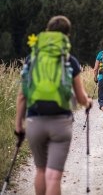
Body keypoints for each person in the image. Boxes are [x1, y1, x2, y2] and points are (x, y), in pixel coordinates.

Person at [15, 15, 92, 195]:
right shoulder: (69, 60)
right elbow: (81, 98)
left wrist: (19, 126)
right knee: (54, 176)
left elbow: (22, 96)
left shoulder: (31, 59)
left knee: (40, 170)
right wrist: (88, 102)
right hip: (61, 123)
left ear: (47, 31)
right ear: (67, 36)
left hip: (35, 122)